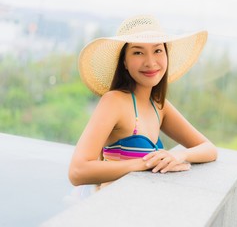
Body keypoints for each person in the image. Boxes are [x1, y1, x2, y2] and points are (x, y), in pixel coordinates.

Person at [68, 15, 217, 187]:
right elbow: (77, 172)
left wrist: (177, 156)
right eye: (138, 52)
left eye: (158, 50)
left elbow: (209, 149)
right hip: (112, 209)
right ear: (124, 61)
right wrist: (146, 163)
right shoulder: (114, 101)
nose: (150, 62)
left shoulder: (159, 106)